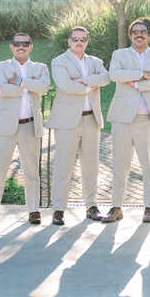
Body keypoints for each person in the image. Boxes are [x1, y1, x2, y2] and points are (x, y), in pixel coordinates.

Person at [104, 17, 150, 224]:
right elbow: (115, 75)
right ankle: (116, 207)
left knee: (149, 165)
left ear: (149, 35)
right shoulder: (119, 55)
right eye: (135, 32)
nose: (139, 35)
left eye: (143, 32)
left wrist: (137, 84)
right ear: (130, 35)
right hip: (122, 118)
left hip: (147, 118)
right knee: (120, 165)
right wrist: (142, 74)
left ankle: (149, 207)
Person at [0, 32, 50, 226]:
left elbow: (44, 87)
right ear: (11, 47)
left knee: (31, 171)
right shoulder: (1, 66)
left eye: (25, 44)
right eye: (17, 44)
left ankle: (34, 210)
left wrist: (20, 82)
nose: (21, 46)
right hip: (5, 127)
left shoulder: (40, 67)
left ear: (31, 46)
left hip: (30, 126)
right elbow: (1, 90)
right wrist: (30, 86)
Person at [48, 26, 111, 226]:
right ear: (69, 41)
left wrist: (83, 80)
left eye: (83, 39)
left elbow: (106, 78)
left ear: (87, 41)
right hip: (67, 122)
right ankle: (58, 209)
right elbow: (65, 85)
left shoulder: (95, 61)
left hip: (91, 119)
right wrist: (91, 85)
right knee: (63, 166)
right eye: (75, 39)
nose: (79, 42)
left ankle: (91, 206)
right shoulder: (59, 61)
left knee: (91, 166)